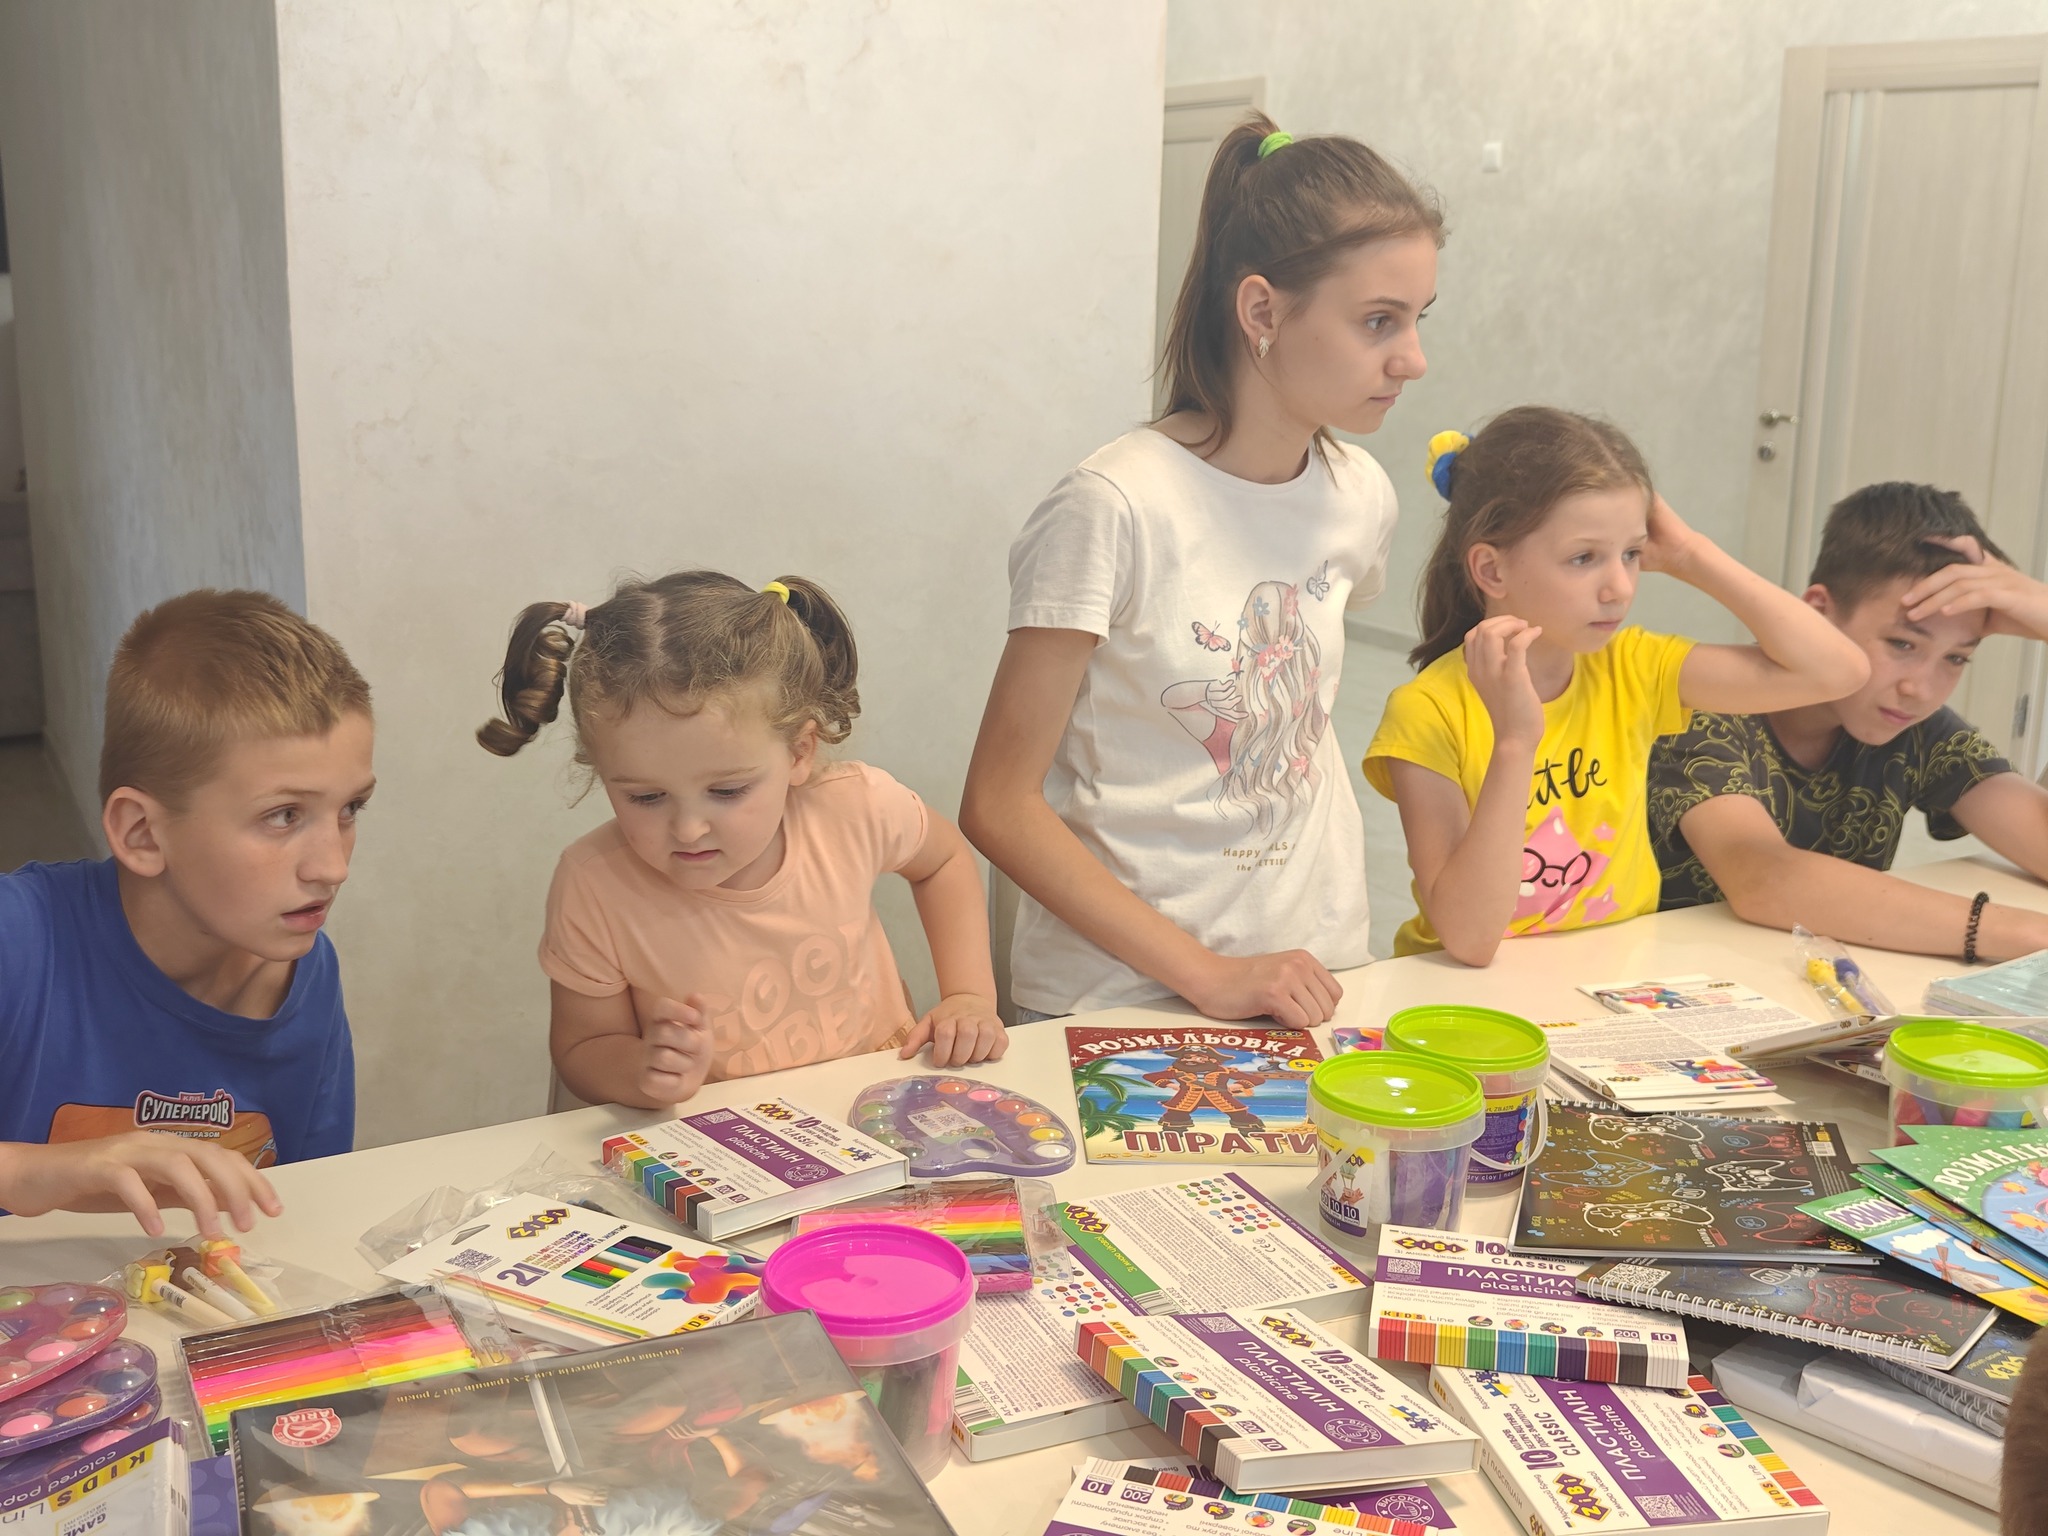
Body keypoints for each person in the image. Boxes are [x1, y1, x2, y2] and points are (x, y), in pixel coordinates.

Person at [961, 113, 1438, 1028]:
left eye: (1419, 319)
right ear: (1262, 312)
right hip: (1124, 996)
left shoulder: (1359, 494)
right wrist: (1209, 975)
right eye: (1379, 321)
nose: (1412, 359)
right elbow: (997, 804)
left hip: (1314, 968)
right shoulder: (1113, 505)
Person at [480, 571, 1004, 1110]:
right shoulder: (593, 885)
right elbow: (583, 1046)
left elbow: (941, 861)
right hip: (723, 1134)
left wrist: (968, 994)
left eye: (727, 791)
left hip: (876, 1104)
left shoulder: (854, 806)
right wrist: (640, 1071)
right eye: (646, 797)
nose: (688, 829)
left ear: (799, 752)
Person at [1363, 407, 1868, 965]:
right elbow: (1471, 939)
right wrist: (1515, 741)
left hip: (1611, 976)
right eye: (1584, 558)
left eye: (1631, 554)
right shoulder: (1427, 711)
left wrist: (1690, 555)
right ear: (1492, 570)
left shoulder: (1633, 667)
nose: (1620, 588)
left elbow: (1838, 672)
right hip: (1467, 990)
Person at [0, 590, 372, 1235]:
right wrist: (37, 1171)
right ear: (142, 833)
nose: (333, 866)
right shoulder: (20, 941)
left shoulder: (306, 973)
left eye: (350, 810)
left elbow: (298, 1212)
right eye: (283, 815)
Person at [1651, 481, 2048, 961]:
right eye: (1902, 644)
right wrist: (2020, 934)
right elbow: (1762, 878)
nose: (1921, 689)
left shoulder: (1915, 728)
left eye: (1956, 658)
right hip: (1658, 982)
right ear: (1819, 612)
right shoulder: (1708, 704)